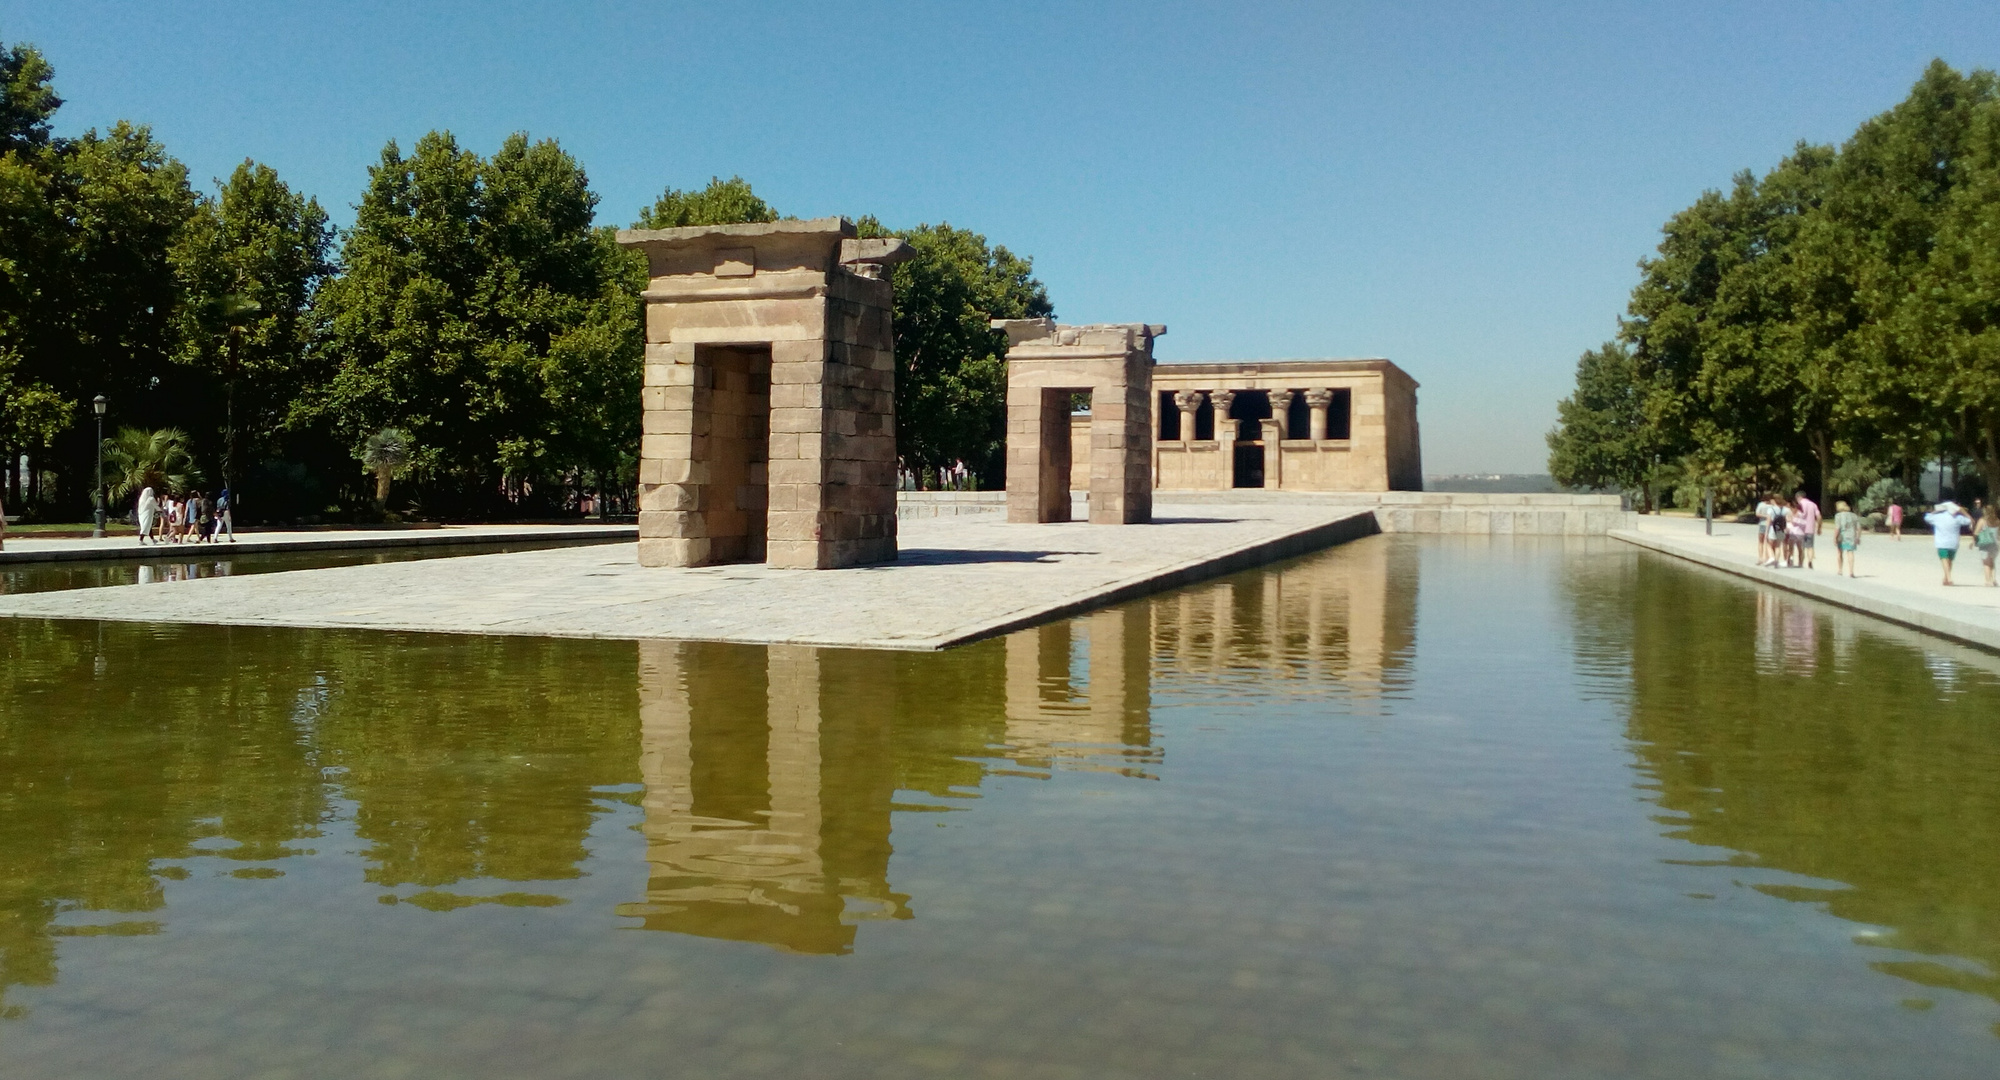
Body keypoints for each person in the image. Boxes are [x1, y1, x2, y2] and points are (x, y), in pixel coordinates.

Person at [1925, 500, 1971, 586]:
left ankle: (1948, 577)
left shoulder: (1937, 517)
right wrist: (1963, 512)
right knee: (1949, 561)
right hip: (1953, 543)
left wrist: (1935, 511)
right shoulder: (1958, 518)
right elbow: (1968, 521)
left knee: (1944, 559)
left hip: (1941, 542)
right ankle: (1946, 578)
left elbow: (1927, 517)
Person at [1792, 488, 1820, 570]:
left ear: (1798, 497)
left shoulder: (1799, 505)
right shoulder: (1813, 504)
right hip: (1810, 529)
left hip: (1800, 529)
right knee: (1810, 546)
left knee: (1801, 548)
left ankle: (1800, 563)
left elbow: (1796, 515)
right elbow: (1819, 516)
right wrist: (1819, 527)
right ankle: (1810, 560)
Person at [1833, 500, 1861, 578]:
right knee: (1850, 553)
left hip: (1841, 536)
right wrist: (1858, 537)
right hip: (1852, 536)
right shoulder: (1854, 516)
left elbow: (1837, 528)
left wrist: (1834, 537)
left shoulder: (1838, 516)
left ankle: (1840, 570)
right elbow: (1858, 528)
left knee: (1839, 553)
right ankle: (1851, 571)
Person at [1755, 492, 1780, 566]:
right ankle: (1768, 558)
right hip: (1772, 525)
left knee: (1761, 542)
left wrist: (1765, 516)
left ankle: (1761, 558)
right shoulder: (1773, 506)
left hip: (1763, 524)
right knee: (1771, 543)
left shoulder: (1761, 505)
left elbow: (1757, 514)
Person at [1978, 505, 2000, 587]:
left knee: (1986, 563)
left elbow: (1976, 532)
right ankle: (1993, 579)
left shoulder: (1982, 521)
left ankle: (1988, 580)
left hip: (1985, 544)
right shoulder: (1997, 521)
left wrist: (1973, 541)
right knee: (1992, 562)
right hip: (1995, 544)